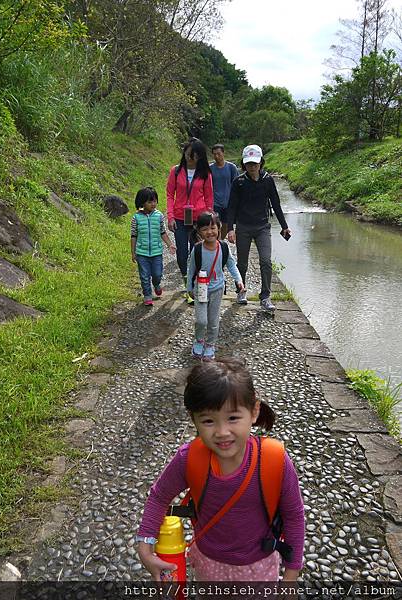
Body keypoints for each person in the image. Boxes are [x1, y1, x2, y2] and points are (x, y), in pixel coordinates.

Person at [136, 357, 305, 582]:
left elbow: (294, 515)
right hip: (207, 564)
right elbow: (159, 496)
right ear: (193, 419)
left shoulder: (274, 460)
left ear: (254, 411)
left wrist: (291, 575)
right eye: (208, 421)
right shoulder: (190, 459)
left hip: (258, 568)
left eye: (233, 417)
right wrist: (145, 546)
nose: (222, 432)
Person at [227, 144, 291, 311]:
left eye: (255, 164)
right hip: (243, 227)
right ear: (244, 165)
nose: (252, 167)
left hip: (263, 226)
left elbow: (276, 204)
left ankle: (265, 296)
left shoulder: (268, 180)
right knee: (242, 263)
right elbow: (231, 207)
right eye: (249, 164)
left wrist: (284, 226)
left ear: (261, 163)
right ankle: (241, 291)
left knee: (265, 261)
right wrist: (230, 229)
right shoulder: (239, 182)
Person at [187, 212, 244, 361]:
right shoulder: (197, 249)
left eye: (213, 228)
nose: (210, 232)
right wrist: (189, 289)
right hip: (200, 288)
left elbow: (231, 265)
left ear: (219, 228)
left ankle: (210, 344)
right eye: (205, 229)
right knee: (201, 320)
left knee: (213, 320)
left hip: (217, 289)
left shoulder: (224, 247)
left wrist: (238, 280)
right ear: (199, 231)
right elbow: (191, 269)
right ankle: (199, 340)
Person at [166, 138, 214, 304]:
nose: (189, 159)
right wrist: (170, 216)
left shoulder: (205, 173)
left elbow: (209, 198)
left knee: (198, 252)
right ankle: (187, 282)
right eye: (187, 155)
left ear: (200, 157)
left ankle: (195, 286)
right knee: (181, 254)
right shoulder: (176, 171)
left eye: (193, 156)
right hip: (180, 217)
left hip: (198, 219)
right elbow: (169, 194)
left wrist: (209, 220)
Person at [131, 187, 176, 306]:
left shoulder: (159, 216)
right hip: (142, 253)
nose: (153, 204)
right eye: (150, 201)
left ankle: (156, 284)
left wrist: (170, 244)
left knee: (157, 274)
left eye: (155, 201)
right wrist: (133, 252)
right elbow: (133, 236)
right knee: (144, 276)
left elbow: (163, 232)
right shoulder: (136, 218)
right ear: (142, 203)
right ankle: (147, 295)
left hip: (156, 253)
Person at [210, 144, 239, 239]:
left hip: (228, 202)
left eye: (218, 154)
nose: (217, 156)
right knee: (215, 224)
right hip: (215, 202)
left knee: (226, 224)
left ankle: (220, 241)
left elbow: (236, 185)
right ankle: (216, 241)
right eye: (214, 154)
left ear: (223, 153)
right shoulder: (210, 169)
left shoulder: (231, 167)